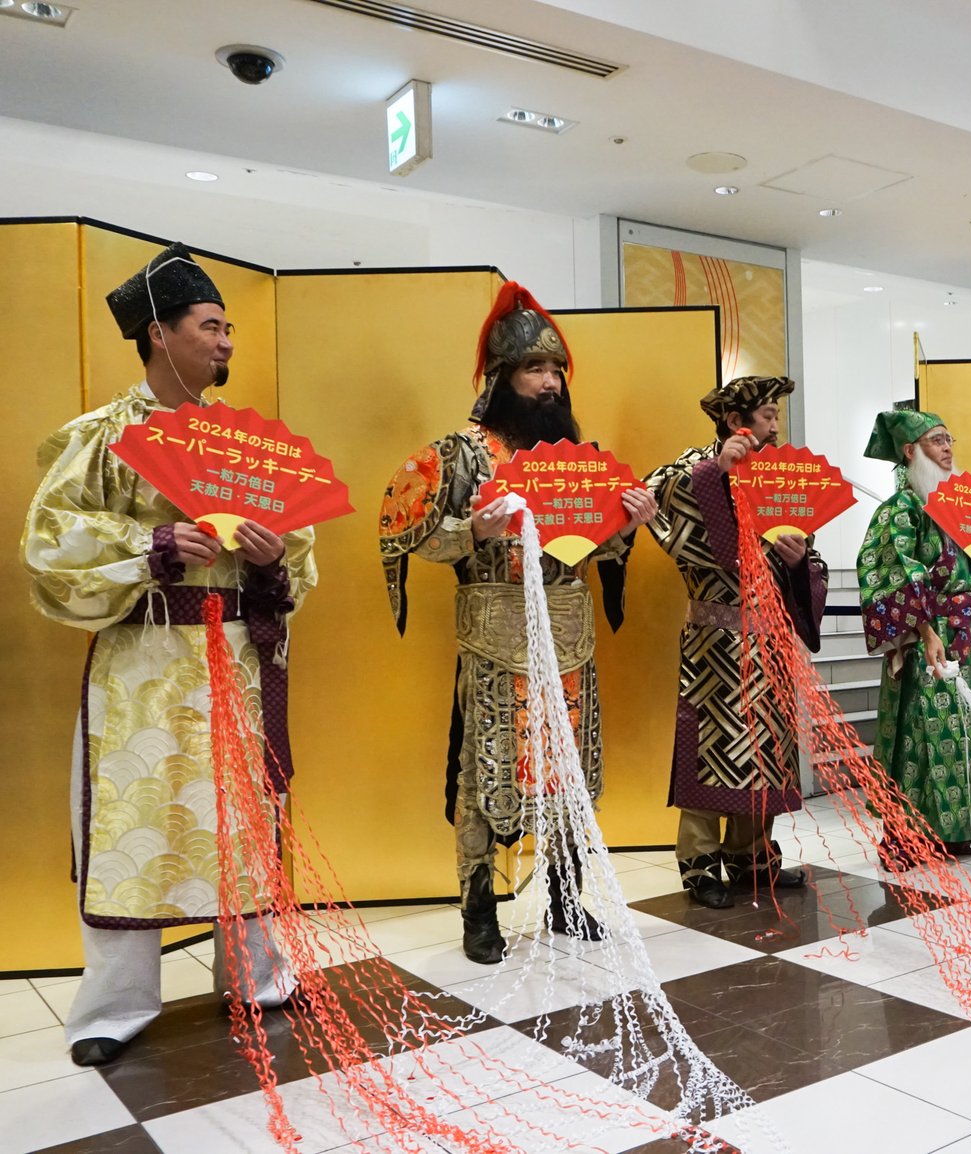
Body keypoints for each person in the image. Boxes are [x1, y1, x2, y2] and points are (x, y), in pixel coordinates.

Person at [22, 244, 316, 1067]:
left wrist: (270, 557)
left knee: (245, 814)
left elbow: (305, 549)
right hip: (144, 658)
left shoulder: (248, 445)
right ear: (159, 333)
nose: (226, 342)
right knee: (132, 820)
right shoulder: (102, 439)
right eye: (210, 326)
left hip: (235, 652)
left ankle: (256, 978)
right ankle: (113, 1006)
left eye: (228, 328)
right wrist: (152, 542)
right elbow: (49, 545)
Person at [379, 281, 656, 963]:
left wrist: (629, 525)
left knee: (570, 770)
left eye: (557, 369)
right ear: (502, 377)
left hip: (567, 632)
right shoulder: (459, 454)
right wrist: (471, 528)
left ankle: (564, 894)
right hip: (494, 634)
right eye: (535, 369)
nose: (550, 382)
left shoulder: (578, 460)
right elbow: (404, 531)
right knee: (483, 771)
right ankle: (480, 908)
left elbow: (595, 547)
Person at [645, 376, 829, 910]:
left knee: (766, 748)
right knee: (710, 746)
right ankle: (700, 864)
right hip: (714, 640)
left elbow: (807, 552)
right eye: (770, 415)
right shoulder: (693, 468)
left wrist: (800, 565)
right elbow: (656, 498)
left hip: (768, 640)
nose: (776, 426)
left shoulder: (779, 477)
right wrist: (715, 471)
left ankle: (753, 857)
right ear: (735, 421)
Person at [857, 410, 971, 859]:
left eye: (949, 439)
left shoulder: (959, 510)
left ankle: (966, 826)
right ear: (910, 451)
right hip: (926, 637)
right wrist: (923, 627)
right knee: (920, 730)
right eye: (937, 440)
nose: (948, 449)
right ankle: (906, 836)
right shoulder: (898, 510)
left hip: (965, 634)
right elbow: (889, 572)